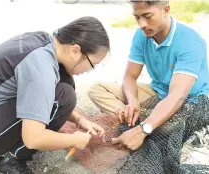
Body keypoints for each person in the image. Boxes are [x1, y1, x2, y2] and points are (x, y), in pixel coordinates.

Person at [0, 16, 110, 174]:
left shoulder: (44, 42)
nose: (86, 71)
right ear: (75, 50)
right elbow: (33, 138)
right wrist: (75, 140)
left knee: (64, 86)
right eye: (91, 66)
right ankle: (9, 162)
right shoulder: (42, 69)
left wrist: (80, 121)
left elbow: (38, 96)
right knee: (65, 94)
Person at [88, 0, 209, 154]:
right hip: (157, 92)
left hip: (188, 103)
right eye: (137, 17)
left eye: (147, 16)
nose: (142, 24)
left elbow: (177, 96)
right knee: (97, 90)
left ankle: (144, 127)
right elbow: (130, 77)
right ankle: (140, 122)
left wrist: (143, 130)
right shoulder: (141, 35)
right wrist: (132, 102)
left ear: (165, 10)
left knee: (168, 127)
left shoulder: (190, 41)